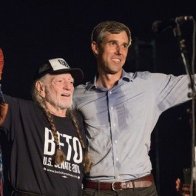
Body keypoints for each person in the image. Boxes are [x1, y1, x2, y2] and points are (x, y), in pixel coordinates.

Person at [73, 20, 194, 196]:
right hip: (96, 190)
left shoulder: (148, 85)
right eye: (113, 43)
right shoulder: (77, 95)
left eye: (124, 45)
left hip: (141, 189)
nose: (120, 51)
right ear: (95, 47)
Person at [0, 48, 91, 195]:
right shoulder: (21, 112)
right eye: (60, 81)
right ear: (41, 88)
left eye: (71, 82)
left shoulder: (78, 121)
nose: (68, 87)